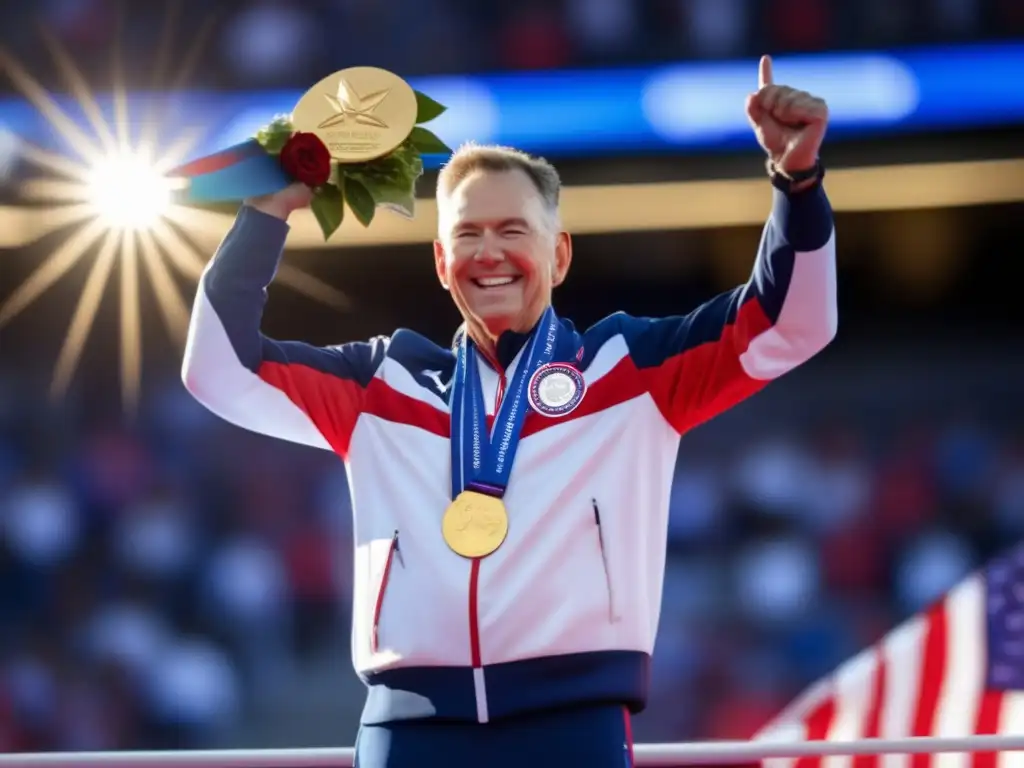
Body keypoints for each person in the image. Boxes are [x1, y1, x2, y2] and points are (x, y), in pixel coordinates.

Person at [182, 55, 836, 767]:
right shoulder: (382, 384)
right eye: (467, 235)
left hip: (572, 721)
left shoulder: (630, 370)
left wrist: (796, 184)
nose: (488, 253)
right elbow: (218, 368)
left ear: (558, 255)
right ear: (441, 261)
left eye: (511, 230)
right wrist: (265, 211)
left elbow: (791, 323)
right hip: (411, 728)